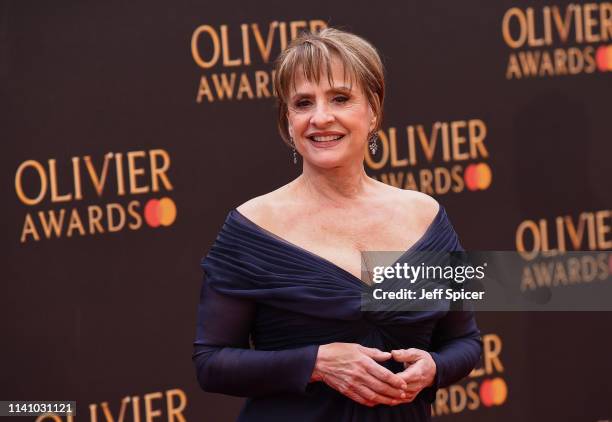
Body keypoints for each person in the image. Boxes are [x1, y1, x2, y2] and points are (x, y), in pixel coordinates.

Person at [193, 28, 482, 421]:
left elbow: (464, 340)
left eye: (341, 99)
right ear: (288, 120)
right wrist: (317, 362)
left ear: (374, 110)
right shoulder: (253, 225)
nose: (321, 117)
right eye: (303, 103)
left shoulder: (425, 215)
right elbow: (211, 362)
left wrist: (434, 368)